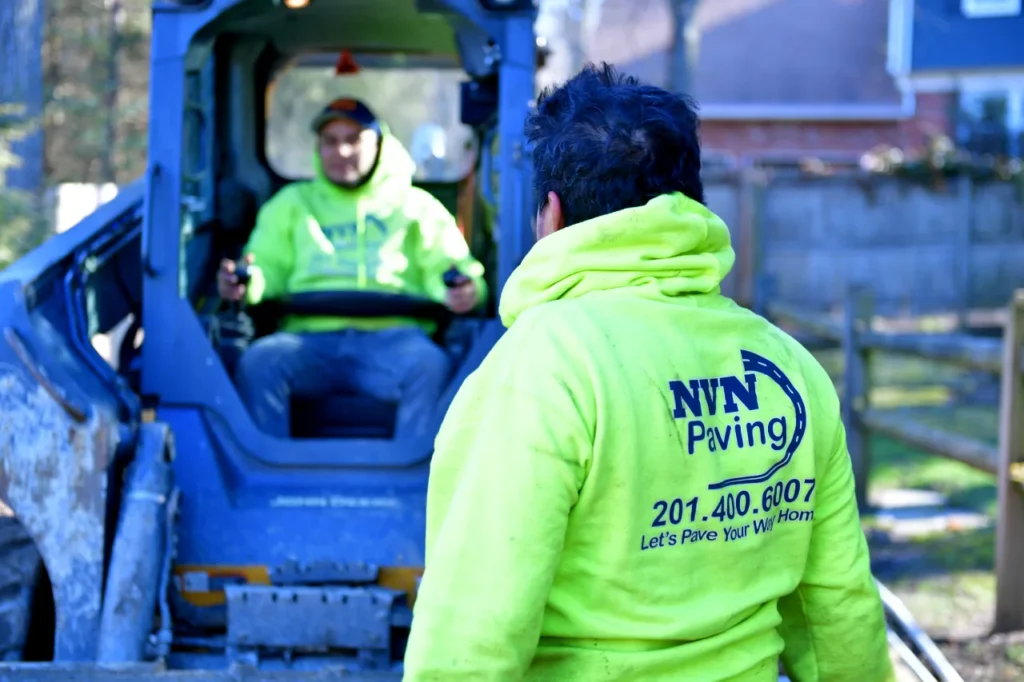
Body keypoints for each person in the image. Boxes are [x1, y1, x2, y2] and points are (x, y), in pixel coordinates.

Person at [403, 64, 893, 681]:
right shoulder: (787, 364)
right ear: (691, 202)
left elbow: (473, 631)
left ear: (550, 215)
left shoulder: (544, 365)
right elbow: (836, 607)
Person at [218, 98, 486, 439]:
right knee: (260, 363)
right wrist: (246, 284)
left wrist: (464, 290)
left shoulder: (417, 207)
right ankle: (268, 481)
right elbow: (264, 265)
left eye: (353, 139)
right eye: (330, 142)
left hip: (395, 340)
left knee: (428, 366)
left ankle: (417, 484)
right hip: (307, 339)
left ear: (379, 145)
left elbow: (450, 266)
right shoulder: (291, 204)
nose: (341, 151)